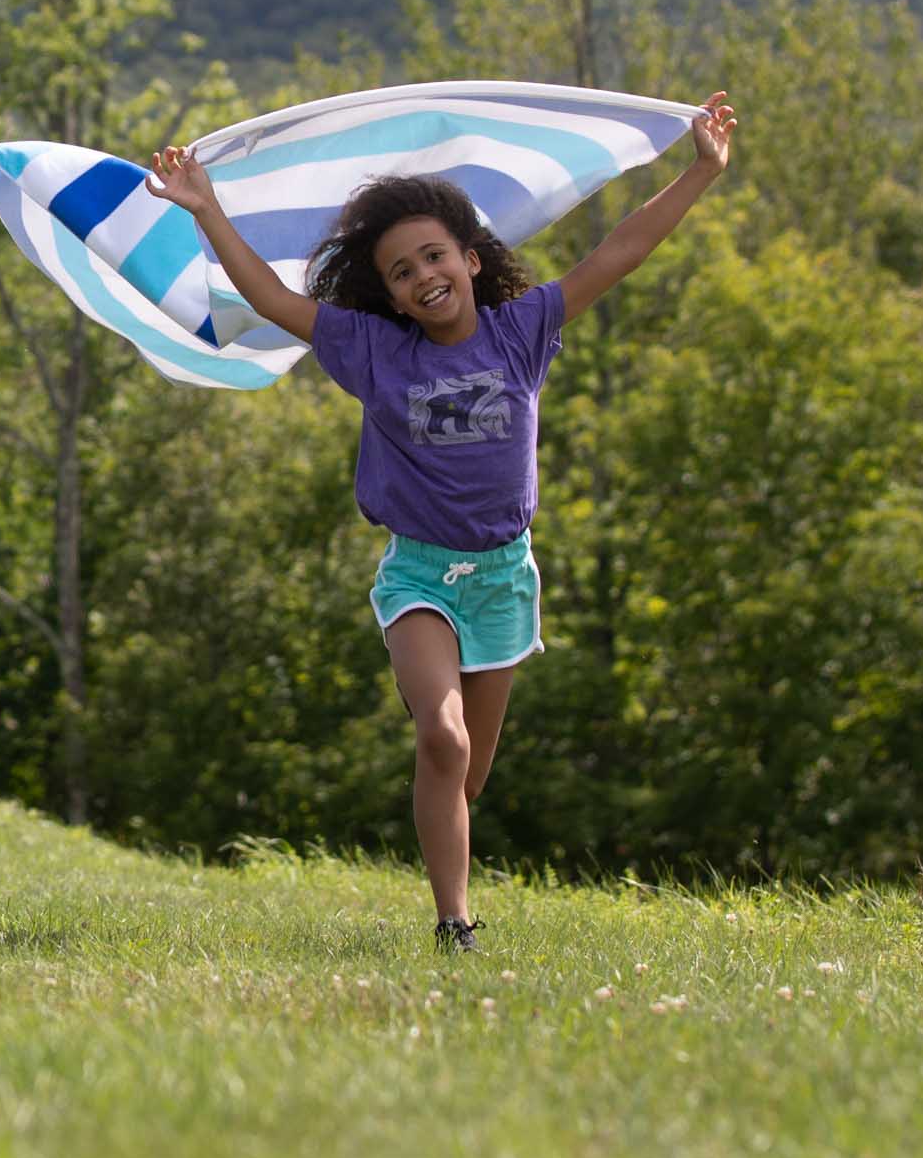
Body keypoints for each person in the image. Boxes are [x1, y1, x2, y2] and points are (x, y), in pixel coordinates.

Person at [144, 97, 734, 951]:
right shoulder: (372, 352)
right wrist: (207, 209)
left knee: (467, 776)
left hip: (502, 577)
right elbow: (271, 297)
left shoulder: (523, 330)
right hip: (420, 577)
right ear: (386, 294)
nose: (424, 277)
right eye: (401, 271)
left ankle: (445, 866)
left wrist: (702, 169)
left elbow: (622, 249)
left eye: (434, 256)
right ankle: (454, 923)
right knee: (442, 737)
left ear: (469, 257)